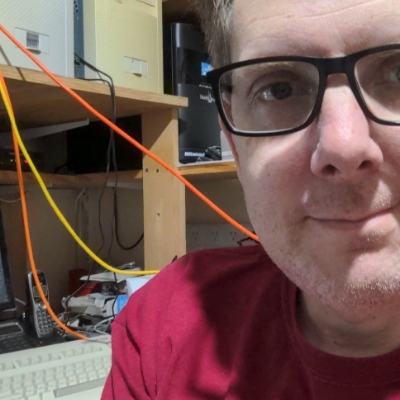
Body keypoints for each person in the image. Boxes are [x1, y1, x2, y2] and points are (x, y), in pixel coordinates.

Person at [102, 0, 400, 398]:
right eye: (279, 90)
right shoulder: (165, 325)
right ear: (233, 139)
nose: (343, 147)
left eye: (398, 72)